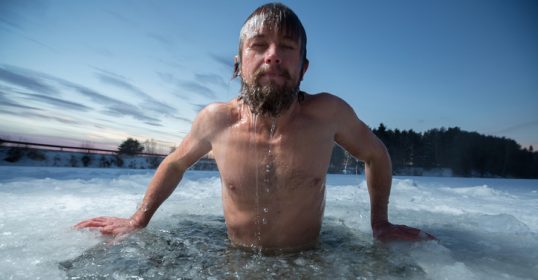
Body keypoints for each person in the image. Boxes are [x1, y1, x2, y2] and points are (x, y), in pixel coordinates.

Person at [76, 3, 435, 252]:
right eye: (259, 45)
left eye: (287, 47)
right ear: (238, 64)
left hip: (309, 258)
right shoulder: (216, 120)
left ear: (304, 67)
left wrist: (381, 223)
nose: (273, 55)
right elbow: (174, 163)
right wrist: (138, 219)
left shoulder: (328, 114)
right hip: (237, 258)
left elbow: (375, 154)